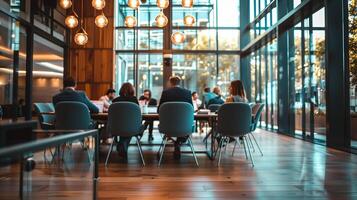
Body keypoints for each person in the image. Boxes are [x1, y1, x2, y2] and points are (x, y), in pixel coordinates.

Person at [158, 76, 193, 159]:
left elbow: (159, 110)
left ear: (170, 82)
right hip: (184, 126)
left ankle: (177, 141)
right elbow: (191, 109)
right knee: (187, 127)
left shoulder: (165, 93)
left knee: (175, 127)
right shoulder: (187, 92)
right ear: (179, 83)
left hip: (167, 126)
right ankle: (179, 142)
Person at [112, 82, 139, 159]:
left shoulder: (115, 101)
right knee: (129, 125)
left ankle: (121, 144)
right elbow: (138, 113)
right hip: (131, 127)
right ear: (132, 90)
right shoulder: (134, 100)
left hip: (116, 127)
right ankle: (122, 144)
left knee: (123, 125)